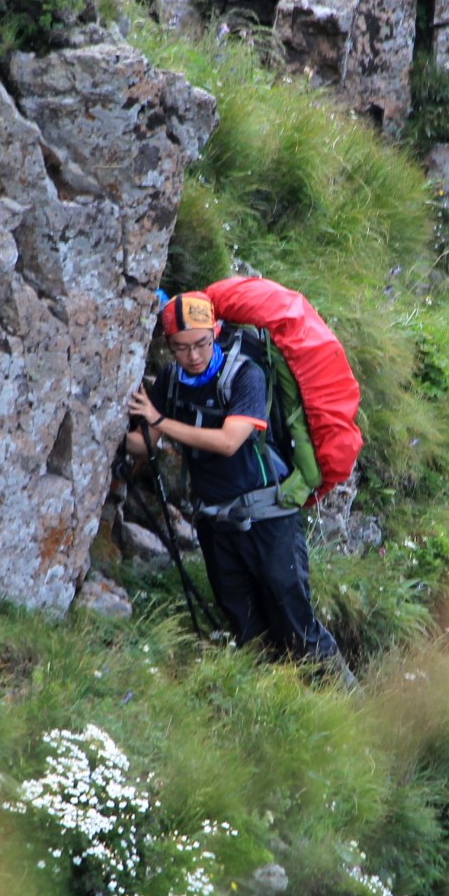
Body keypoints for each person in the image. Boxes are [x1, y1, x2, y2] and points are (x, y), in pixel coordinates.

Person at [124, 291, 352, 681]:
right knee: (246, 628)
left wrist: (159, 422)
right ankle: (271, 708)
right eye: (181, 348)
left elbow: (230, 441)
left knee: (296, 626)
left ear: (216, 331)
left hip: (269, 517)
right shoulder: (170, 382)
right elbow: (143, 441)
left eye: (201, 344)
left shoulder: (246, 374)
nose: (193, 356)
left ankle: (350, 706)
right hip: (215, 523)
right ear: (169, 347)